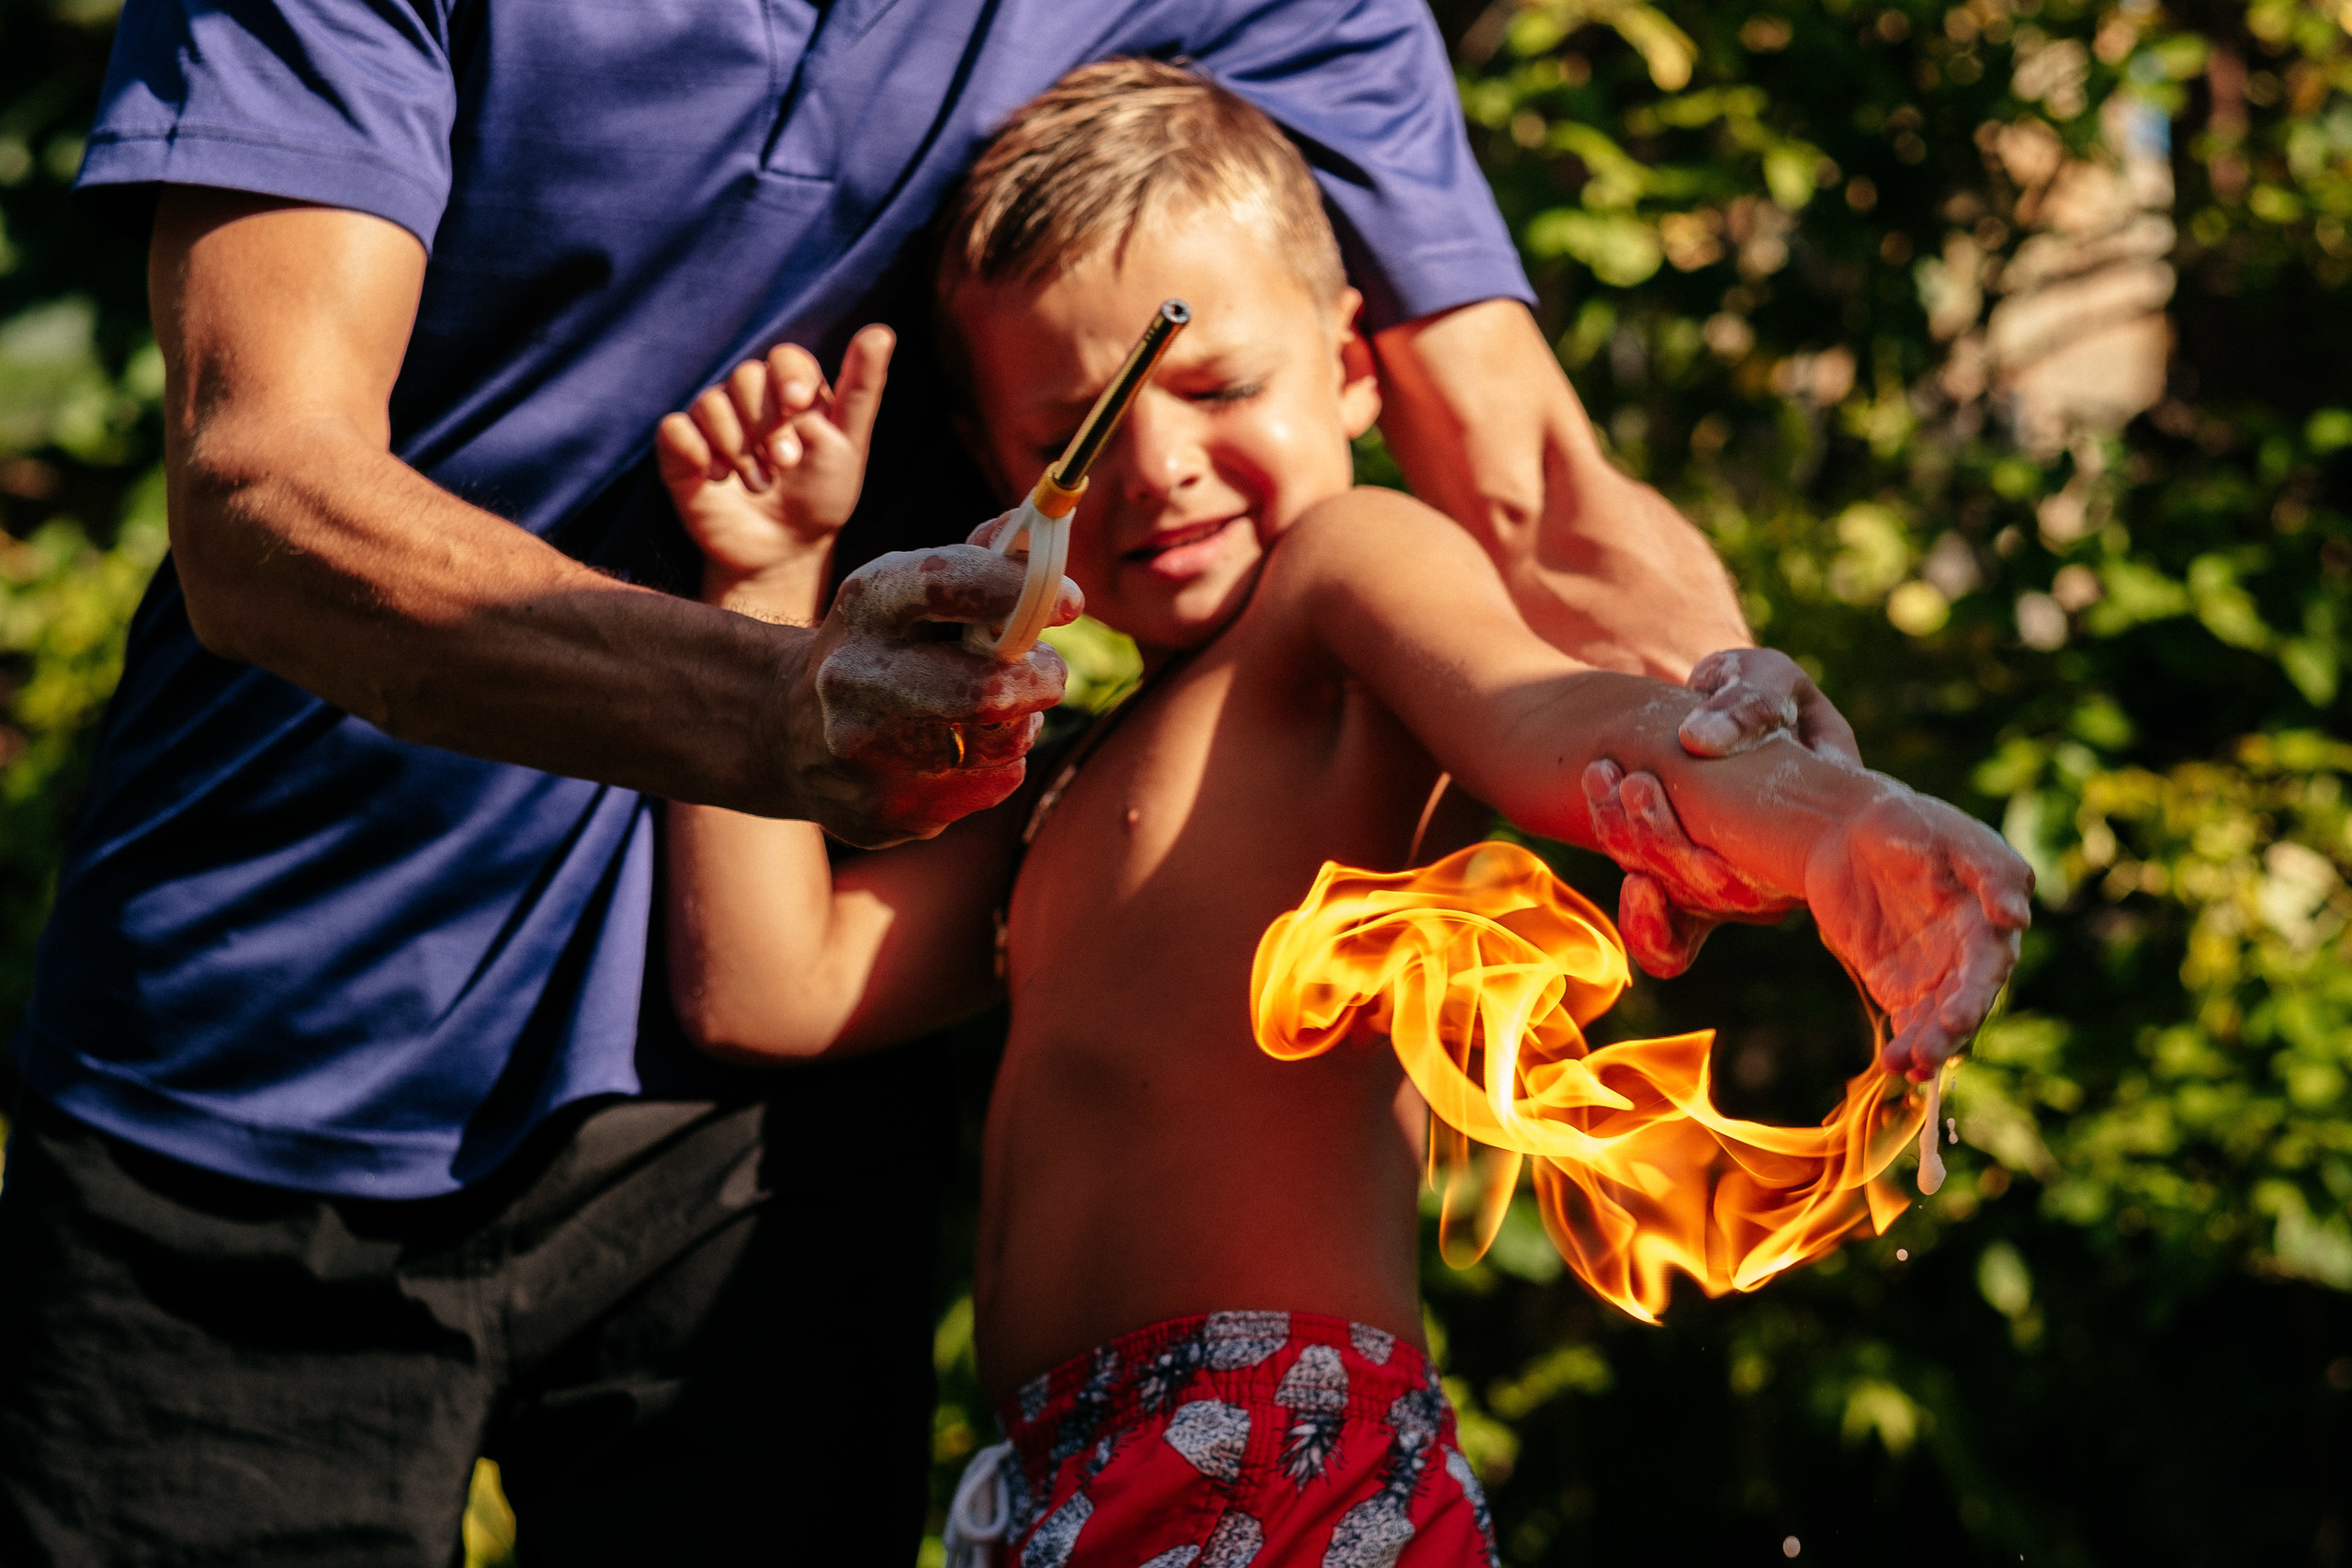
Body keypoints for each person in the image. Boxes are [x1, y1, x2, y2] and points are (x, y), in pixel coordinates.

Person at [1, 4, 1854, 1562]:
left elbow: (1525, 482)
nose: (1164, 467)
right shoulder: (1044, 827)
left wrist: (1755, 766)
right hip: (253, 1065)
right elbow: (263, 498)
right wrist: (772, 681)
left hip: (762, 1157)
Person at [656, 62, 2031, 1565]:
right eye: (1077, 434)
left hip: (1285, 1459)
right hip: (1056, 1488)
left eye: (1219, 387)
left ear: (1353, 368)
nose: (1159, 464)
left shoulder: (1341, 582)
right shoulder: (1051, 781)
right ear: (1006, 481)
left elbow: (1546, 716)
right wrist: (764, 590)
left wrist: (1829, 824)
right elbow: (767, 990)